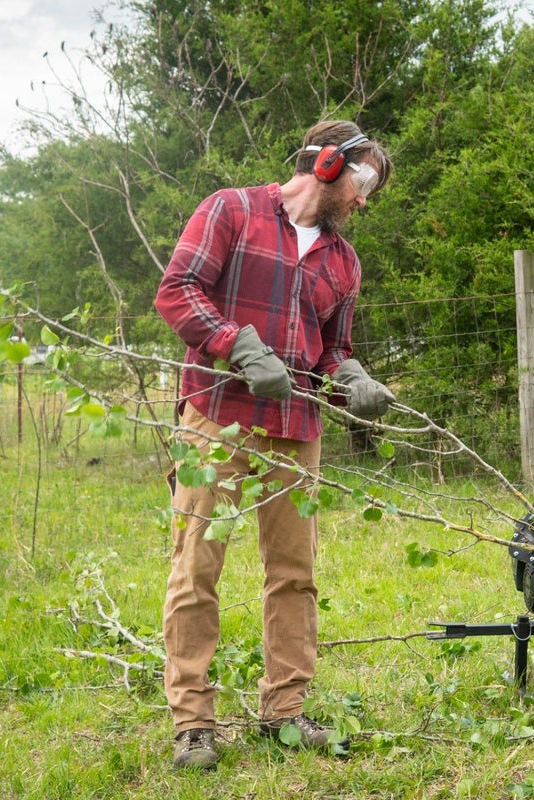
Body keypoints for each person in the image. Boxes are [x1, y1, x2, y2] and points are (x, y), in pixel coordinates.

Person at [154, 120, 395, 770]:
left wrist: (353, 379)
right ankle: (194, 725)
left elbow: (333, 351)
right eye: (362, 181)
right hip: (217, 419)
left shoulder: (344, 263)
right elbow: (177, 291)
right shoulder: (231, 210)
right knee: (196, 569)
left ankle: (283, 714)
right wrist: (237, 344)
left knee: (294, 576)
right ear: (324, 163)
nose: (363, 200)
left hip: (297, 433)